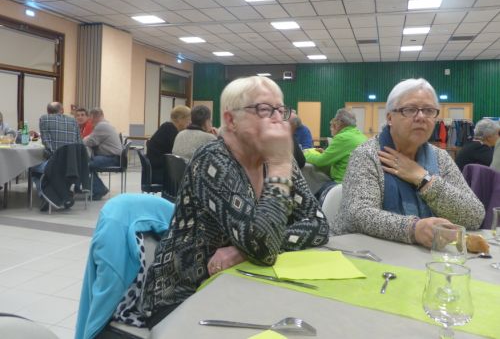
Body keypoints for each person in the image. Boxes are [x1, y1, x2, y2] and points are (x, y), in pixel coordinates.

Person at [142, 76, 329, 326]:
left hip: (242, 284)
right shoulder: (213, 160)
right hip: (182, 299)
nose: (278, 119)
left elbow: (319, 225)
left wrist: (242, 251)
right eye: (264, 109)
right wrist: (280, 165)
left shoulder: (277, 158)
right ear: (231, 120)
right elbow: (263, 250)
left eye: (281, 110)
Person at [332, 78, 484, 247]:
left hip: (427, 255)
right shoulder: (367, 154)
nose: (421, 117)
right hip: (363, 252)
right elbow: (358, 214)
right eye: (410, 110)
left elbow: (475, 215)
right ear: (390, 117)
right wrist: (413, 229)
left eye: (428, 110)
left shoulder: (441, 158)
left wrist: (424, 179)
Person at [33, 102, 82, 205]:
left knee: (34, 168)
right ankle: (63, 194)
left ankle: (44, 196)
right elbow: (79, 143)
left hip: (55, 163)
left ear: (48, 111)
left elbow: (46, 143)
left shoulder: (44, 118)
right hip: (73, 164)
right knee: (54, 170)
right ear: (62, 110)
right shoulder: (73, 121)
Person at [304, 108, 367, 186]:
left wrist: (304, 154)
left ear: (339, 122)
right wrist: (326, 153)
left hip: (342, 184)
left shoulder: (342, 137)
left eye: (335, 121)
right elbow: (345, 157)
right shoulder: (361, 136)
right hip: (358, 183)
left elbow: (321, 161)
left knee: (313, 186)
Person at [83, 108, 122, 200]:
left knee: (84, 165)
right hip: (113, 157)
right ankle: (97, 188)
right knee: (87, 162)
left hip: (112, 158)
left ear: (93, 117)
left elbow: (90, 141)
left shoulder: (101, 126)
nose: (90, 121)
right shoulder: (105, 124)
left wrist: (84, 139)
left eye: (90, 118)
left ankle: (99, 189)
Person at [146, 105, 191, 184]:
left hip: (154, 170)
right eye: (188, 120)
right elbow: (179, 152)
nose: (190, 123)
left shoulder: (167, 127)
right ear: (180, 119)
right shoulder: (170, 130)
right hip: (159, 173)